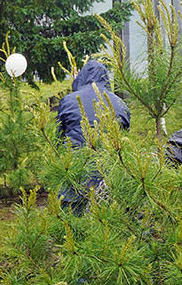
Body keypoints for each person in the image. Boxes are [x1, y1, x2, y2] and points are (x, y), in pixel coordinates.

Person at [54, 58, 131, 210]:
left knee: (72, 223)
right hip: (109, 180)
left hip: (75, 176)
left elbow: (57, 140)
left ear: (82, 77)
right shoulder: (120, 104)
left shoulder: (68, 100)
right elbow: (125, 144)